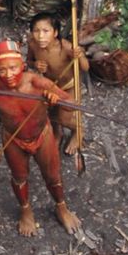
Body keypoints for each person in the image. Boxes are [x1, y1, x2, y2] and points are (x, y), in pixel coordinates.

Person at [0, 39, 81, 236]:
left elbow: (72, 104)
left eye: (13, 68)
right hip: (13, 139)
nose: (8, 75)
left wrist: (56, 99)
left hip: (41, 135)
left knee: (52, 175)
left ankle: (61, 207)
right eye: (2, 70)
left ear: (23, 66)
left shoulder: (37, 83)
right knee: (19, 177)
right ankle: (25, 210)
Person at [26, 12, 89, 155]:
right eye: (36, 31)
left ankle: (78, 130)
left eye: (46, 31)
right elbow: (28, 61)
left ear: (55, 32)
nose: (40, 36)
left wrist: (79, 57)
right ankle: (57, 133)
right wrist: (35, 64)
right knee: (51, 113)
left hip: (69, 87)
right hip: (50, 86)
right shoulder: (33, 44)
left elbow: (85, 68)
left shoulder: (65, 48)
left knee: (64, 117)